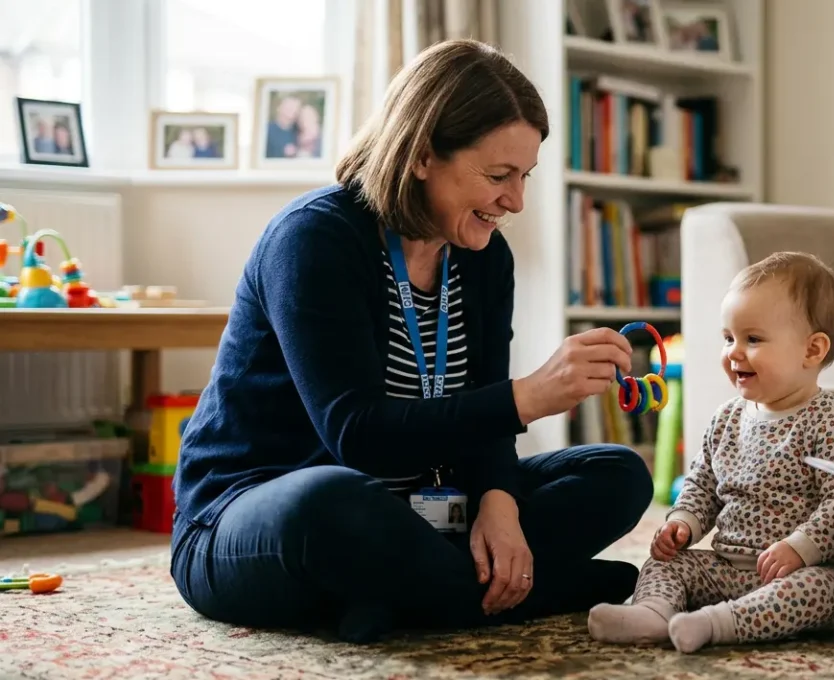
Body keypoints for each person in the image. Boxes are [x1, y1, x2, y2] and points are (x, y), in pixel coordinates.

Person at [170, 39, 655, 644]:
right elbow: (357, 435)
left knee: (618, 473)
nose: (516, 201)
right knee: (331, 502)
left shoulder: (482, 256)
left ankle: (404, 597)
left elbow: (480, 408)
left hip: (418, 515)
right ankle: (518, 592)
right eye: (498, 175)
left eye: (525, 176)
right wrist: (527, 397)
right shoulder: (316, 239)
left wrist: (498, 502)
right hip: (255, 516)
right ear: (423, 156)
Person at [588, 252, 834, 653]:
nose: (734, 352)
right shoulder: (726, 418)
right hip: (729, 568)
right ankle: (654, 612)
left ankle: (716, 624)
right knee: (667, 564)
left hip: (815, 570)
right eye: (729, 338)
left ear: (812, 351)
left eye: (752, 339)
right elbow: (702, 481)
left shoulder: (832, 423)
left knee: (816, 590)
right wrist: (683, 524)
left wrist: (800, 546)